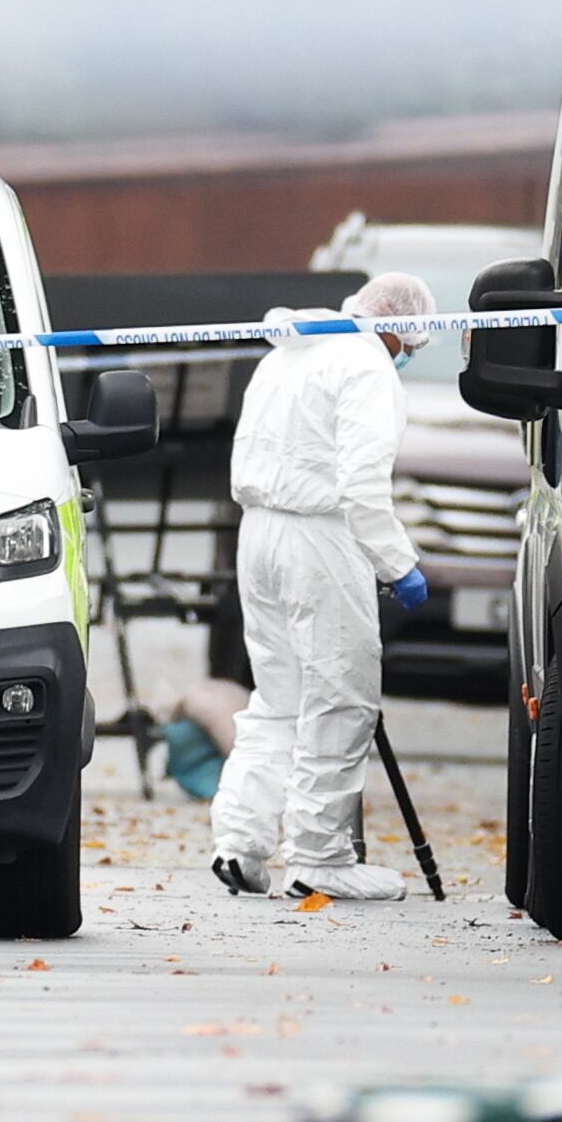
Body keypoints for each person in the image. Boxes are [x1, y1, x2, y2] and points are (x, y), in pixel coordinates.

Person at [207, 273, 436, 903]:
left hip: (257, 535)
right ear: (400, 328)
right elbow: (363, 486)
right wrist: (398, 564)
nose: (408, 356)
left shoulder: (290, 352)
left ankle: (240, 842)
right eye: (412, 344)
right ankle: (320, 856)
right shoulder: (367, 368)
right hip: (318, 537)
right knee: (341, 698)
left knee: (277, 699)